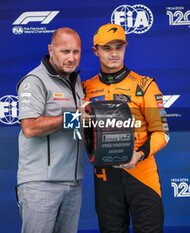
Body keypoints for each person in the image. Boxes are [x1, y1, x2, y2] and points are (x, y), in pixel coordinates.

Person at [82, 23, 170, 233]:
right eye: (107, 48)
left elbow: (163, 133)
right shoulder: (85, 88)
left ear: (125, 47)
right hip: (105, 179)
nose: (114, 54)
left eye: (118, 47)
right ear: (96, 51)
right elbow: (76, 130)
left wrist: (139, 155)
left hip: (142, 175)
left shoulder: (145, 85)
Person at [16, 27, 84, 233]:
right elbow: (29, 127)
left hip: (73, 183)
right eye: (65, 52)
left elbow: (76, 124)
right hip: (41, 184)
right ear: (51, 50)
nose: (71, 58)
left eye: (76, 52)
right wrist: (73, 118)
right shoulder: (34, 81)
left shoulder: (76, 81)